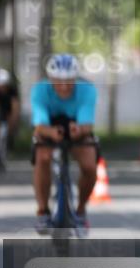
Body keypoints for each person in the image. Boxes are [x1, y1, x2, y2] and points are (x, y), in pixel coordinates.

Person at [31, 53, 97, 234]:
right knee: (42, 157)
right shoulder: (39, 90)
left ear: (75, 78)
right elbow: (39, 125)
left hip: (77, 127)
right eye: (58, 81)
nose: (64, 86)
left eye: (69, 81)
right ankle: (43, 211)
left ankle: (81, 211)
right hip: (49, 127)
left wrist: (79, 131)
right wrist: (51, 133)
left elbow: (86, 124)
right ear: (50, 78)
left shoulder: (87, 89)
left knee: (90, 166)